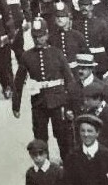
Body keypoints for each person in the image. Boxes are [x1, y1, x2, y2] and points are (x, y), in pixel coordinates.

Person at [13, 16, 74, 160]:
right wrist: (16, 105)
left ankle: (68, 165)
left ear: (47, 35)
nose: (38, 39)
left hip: (58, 100)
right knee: (40, 137)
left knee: (63, 135)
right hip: (39, 102)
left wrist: (71, 104)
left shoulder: (57, 53)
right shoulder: (27, 56)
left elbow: (69, 79)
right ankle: (45, 166)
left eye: (41, 36)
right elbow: (18, 82)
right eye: (35, 36)